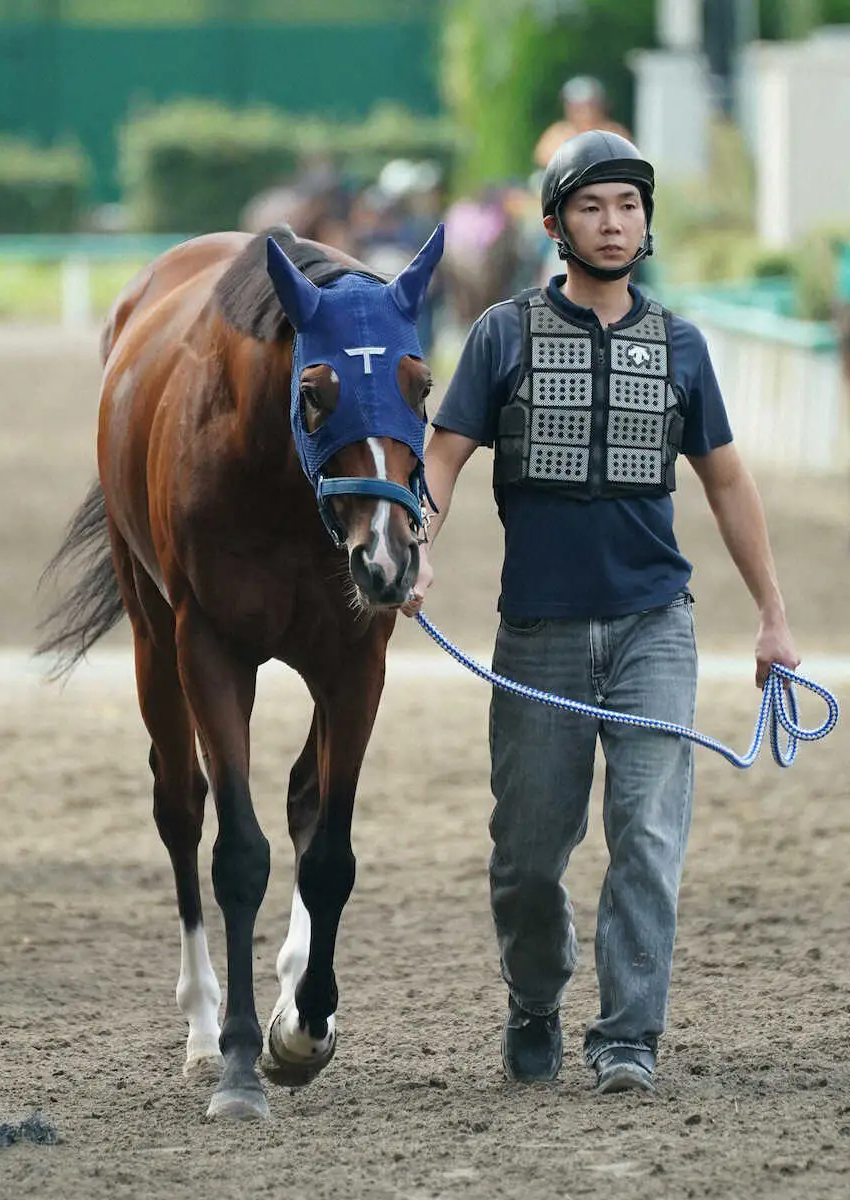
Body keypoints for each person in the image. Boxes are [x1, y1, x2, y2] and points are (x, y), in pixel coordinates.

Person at [401, 130, 800, 1094]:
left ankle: (629, 1034)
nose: (613, 223)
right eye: (592, 206)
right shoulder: (501, 335)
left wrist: (772, 618)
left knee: (648, 838)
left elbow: (729, 483)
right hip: (536, 634)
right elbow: (443, 456)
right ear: (555, 224)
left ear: (645, 222)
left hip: (654, 627)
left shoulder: (682, 346)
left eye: (628, 206)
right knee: (530, 856)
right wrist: (419, 544)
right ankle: (535, 998)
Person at [533, 77, 632, 170]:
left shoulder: (614, 133)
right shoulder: (557, 133)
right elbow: (542, 160)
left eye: (588, 105)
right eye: (575, 106)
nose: (582, 111)